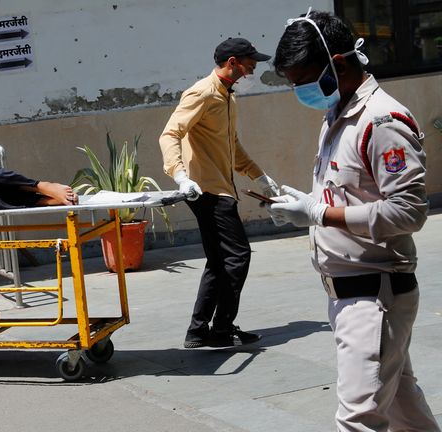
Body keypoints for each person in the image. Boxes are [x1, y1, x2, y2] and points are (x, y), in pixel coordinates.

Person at [269, 9, 440, 432]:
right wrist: (310, 202)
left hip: (375, 294)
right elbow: (353, 192)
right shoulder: (338, 115)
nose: (300, 92)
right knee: (403, 408)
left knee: (358, 420)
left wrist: (319, 213)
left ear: (339, 64)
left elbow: (409, 211)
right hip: (351, 295)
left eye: (303, 82)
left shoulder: (382, 121)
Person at [159, 37, 280, 349]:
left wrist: (260, 176)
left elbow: (232, 147)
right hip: (206, 190)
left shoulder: (228, 96)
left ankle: (198, 332)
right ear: (232, 62)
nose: (254, 65)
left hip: (220, 187)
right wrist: (180, 176)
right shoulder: (202, 92)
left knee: (218, 260)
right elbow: (170, 134)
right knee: (237, 256)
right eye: (249, 60)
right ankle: (221, 328)